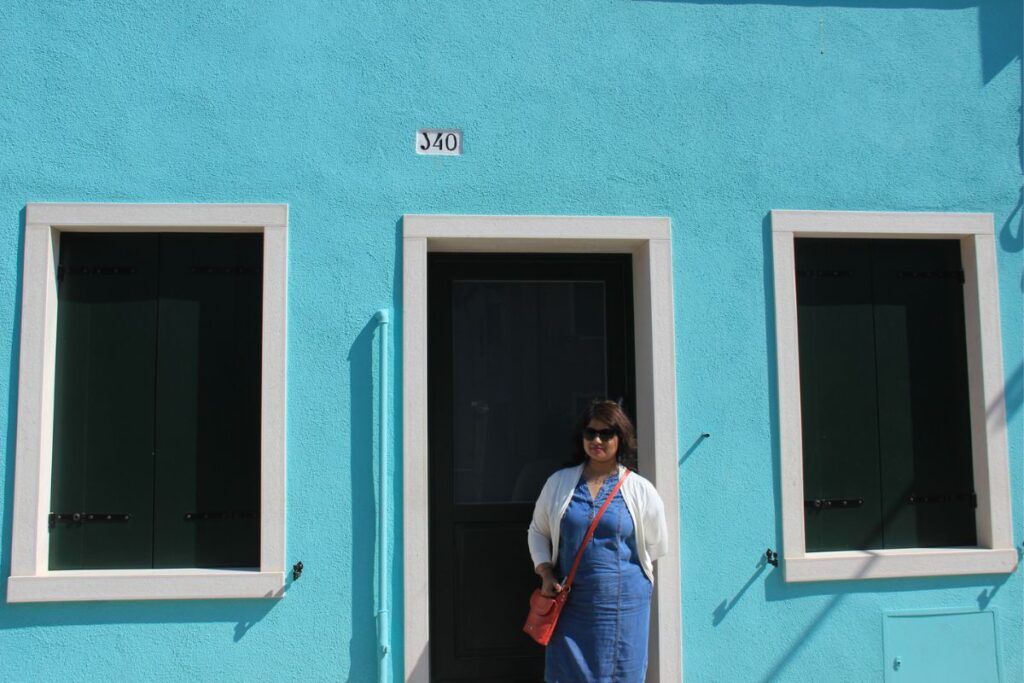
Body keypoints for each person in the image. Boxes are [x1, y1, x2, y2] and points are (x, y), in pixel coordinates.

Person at [528, 400, 669, 683]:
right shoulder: (559, 483)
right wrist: (544, 572)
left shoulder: (639, 489)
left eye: (606, 434)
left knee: (622, 674)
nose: (597, 440)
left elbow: (655, 544)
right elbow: (538, 531)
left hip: (624, 607)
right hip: (572, 605)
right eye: (590, 433)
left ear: (621, 438)